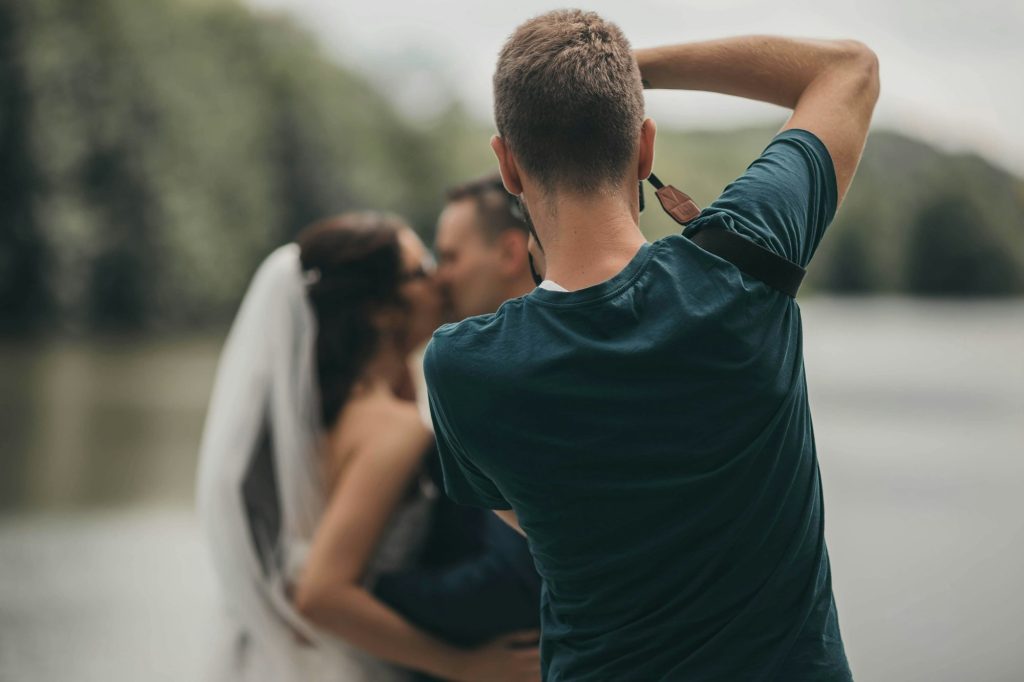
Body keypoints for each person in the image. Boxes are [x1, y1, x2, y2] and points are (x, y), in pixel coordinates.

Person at [423, 10, 879, 682]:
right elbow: (848, 69)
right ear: (643, 148)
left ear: (508, 166)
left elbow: (534, 518)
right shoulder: (742, 267)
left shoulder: (465, 368)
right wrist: (632, 70)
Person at [196, 212, 539, 682]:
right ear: (380, 308)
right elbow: (320, 594)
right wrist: (461, 665)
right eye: (420, 271)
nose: (439, 280)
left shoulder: (328, 415)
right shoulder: (392, 429)